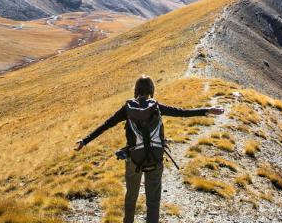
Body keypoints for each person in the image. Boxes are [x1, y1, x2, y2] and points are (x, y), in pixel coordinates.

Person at [75, 75, 224, 223]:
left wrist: (85, 140)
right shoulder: (156, 107)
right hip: (155, 157)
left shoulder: (128, 108)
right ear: (151, 90)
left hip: (134, 158)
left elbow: (107, 124)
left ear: (136, 90)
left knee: (131, 197)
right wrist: (207, 110)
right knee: (153, 201)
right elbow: (182, 112)